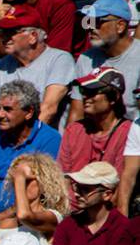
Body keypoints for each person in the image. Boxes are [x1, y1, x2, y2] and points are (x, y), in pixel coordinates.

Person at [59, 67, 140, 212]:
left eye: (92, 92)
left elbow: (118, 187)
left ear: (113, 97)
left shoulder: (128, 132)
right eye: (84, 92)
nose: (85, 97)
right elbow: (62, 178)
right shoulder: (74, 130)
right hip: (70, 211)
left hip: (105, 212)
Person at [47, 162, 128, 245]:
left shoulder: (121, 226)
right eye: (76, 187)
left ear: (107, 194)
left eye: (85, 189)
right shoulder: (68, 224)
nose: (77, 193)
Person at [0, 80, 63, 217]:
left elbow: (38, 194)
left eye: (7, 109)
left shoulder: (50, 140)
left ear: (28, 112)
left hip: (24, 218)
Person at [72, 0, 140, 122]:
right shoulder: (86, 58)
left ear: (120, 26)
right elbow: (77, 111)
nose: (91, 28)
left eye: (98, 22)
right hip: (93, 134)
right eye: (88, 21)